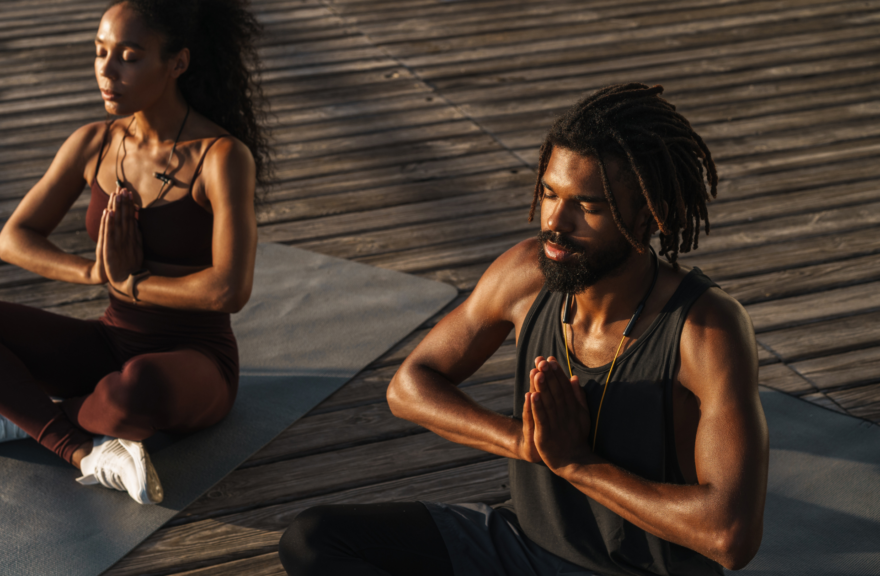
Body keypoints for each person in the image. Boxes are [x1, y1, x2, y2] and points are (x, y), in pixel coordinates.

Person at [278, 84, 769, 575]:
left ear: (645, 218)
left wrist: (576, 464)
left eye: (588, 206)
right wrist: (523, 443)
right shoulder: (524, 276)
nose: (555, 222)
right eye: (550, 193)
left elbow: (728, 536)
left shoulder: (706, 328)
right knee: (313, 539)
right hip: (517, 546)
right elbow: (409, 386)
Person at [0, 0, 270, 505]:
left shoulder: (220, 158)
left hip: (195, 361)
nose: (106, 71)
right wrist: (94, 273)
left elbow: (229, 290)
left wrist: (131, 283)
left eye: (129, 56)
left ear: (178, 63)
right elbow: (14, 238)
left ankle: (24, 413)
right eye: (100, 52)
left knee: (137, 388)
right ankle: (85, 451)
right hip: (110, 341)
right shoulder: (94, 143)